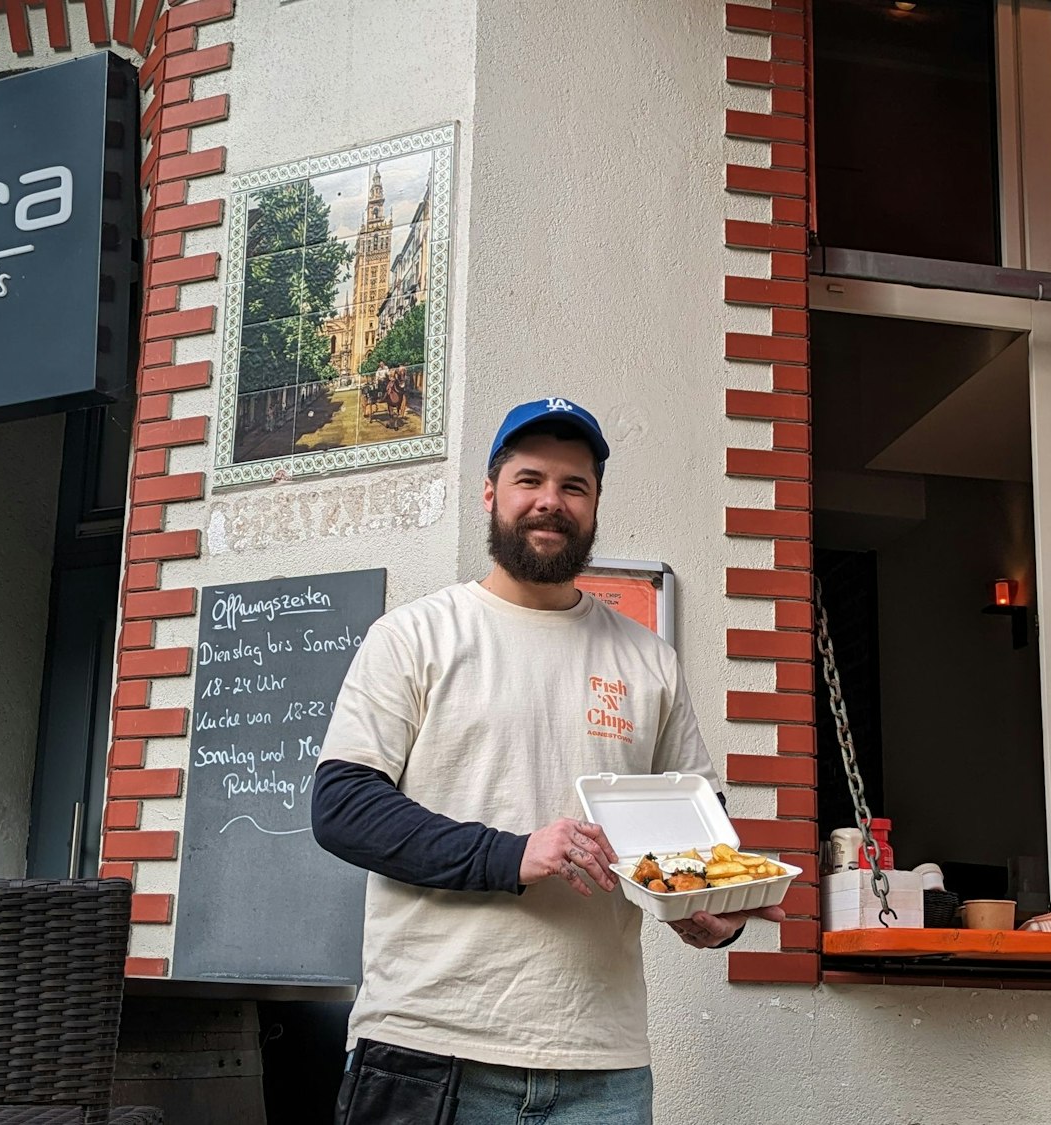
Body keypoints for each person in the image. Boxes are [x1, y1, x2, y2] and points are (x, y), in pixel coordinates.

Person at [312, 397, 783, 1124]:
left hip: (603, 1067)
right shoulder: (414, 635)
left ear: (595, 506)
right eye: (530, 479)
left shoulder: (646, 659)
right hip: (430, 1049)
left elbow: (696, 829)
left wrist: (710, 909)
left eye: (574, 486)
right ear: (491, 492)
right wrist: (513, 853)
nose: (550, 502)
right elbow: (343, 807)